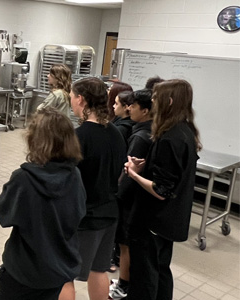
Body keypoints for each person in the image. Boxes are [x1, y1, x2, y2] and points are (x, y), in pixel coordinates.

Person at [0, 108, 85, 300]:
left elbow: (4, 215)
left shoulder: (24, 178)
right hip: (57, 269)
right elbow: (79, 213)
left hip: (25, 270)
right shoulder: (74, 175)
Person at [125, 79, 201, 300]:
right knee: (161, 270)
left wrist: (135, 175)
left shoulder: (170, 138)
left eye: (156, 98)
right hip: (169, 220)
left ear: (168, 102)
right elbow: (173, 173)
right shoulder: (184, 130)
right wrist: (146, 165)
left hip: (153, 220)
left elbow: (161, 190)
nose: (152, 100)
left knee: (145, 275)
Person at [61, 77, 127, 300]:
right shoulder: (116, 133)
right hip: (109, 213)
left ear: (81, 99)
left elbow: (66, 179)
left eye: (71, 97)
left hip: (85, 218)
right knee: (98, 270)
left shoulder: (79, 137)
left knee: (65, 274)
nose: (70, 102)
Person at [109, 88, 154, 300]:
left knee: (125, 244)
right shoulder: (144, 130)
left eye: (133, 106)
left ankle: (123, 285)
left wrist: (117, 195)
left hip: (129, 200)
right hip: (136, 200)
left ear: (145, 110)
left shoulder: (140, 137)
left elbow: (129, 174)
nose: (129, 108)